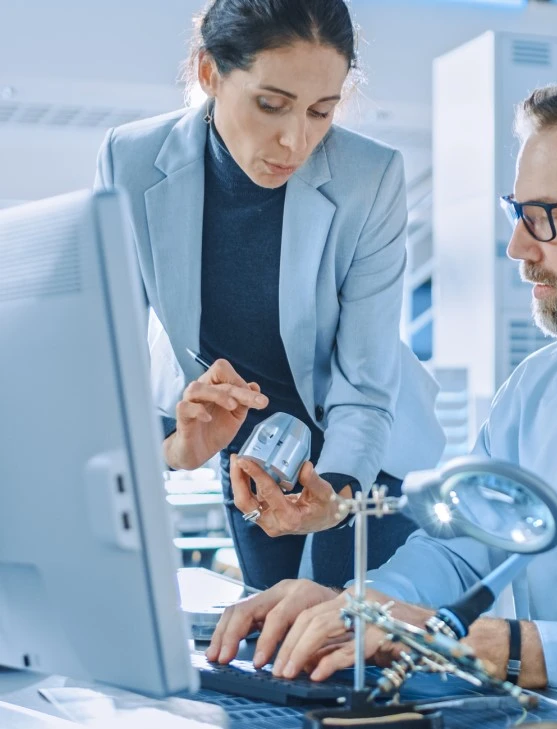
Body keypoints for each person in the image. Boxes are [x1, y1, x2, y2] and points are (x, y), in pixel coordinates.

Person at [207, 72, 557, 721]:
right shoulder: (532, 392)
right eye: (517, 213)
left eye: (546, 217)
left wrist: (498, 646)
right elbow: (457, 547)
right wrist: (362, 608)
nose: (518, 247)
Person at [94, 0, 445, 590]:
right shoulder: (130, 161)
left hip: (366, 457)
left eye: (321, 111)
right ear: (209, 73)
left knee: (345, 641)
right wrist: (172, 449)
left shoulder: (371, 177)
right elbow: (110, 357)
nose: (296, 140)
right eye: (271, 105)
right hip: (253, 450)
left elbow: (364, 384)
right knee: (270, 646)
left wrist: (335, 495)